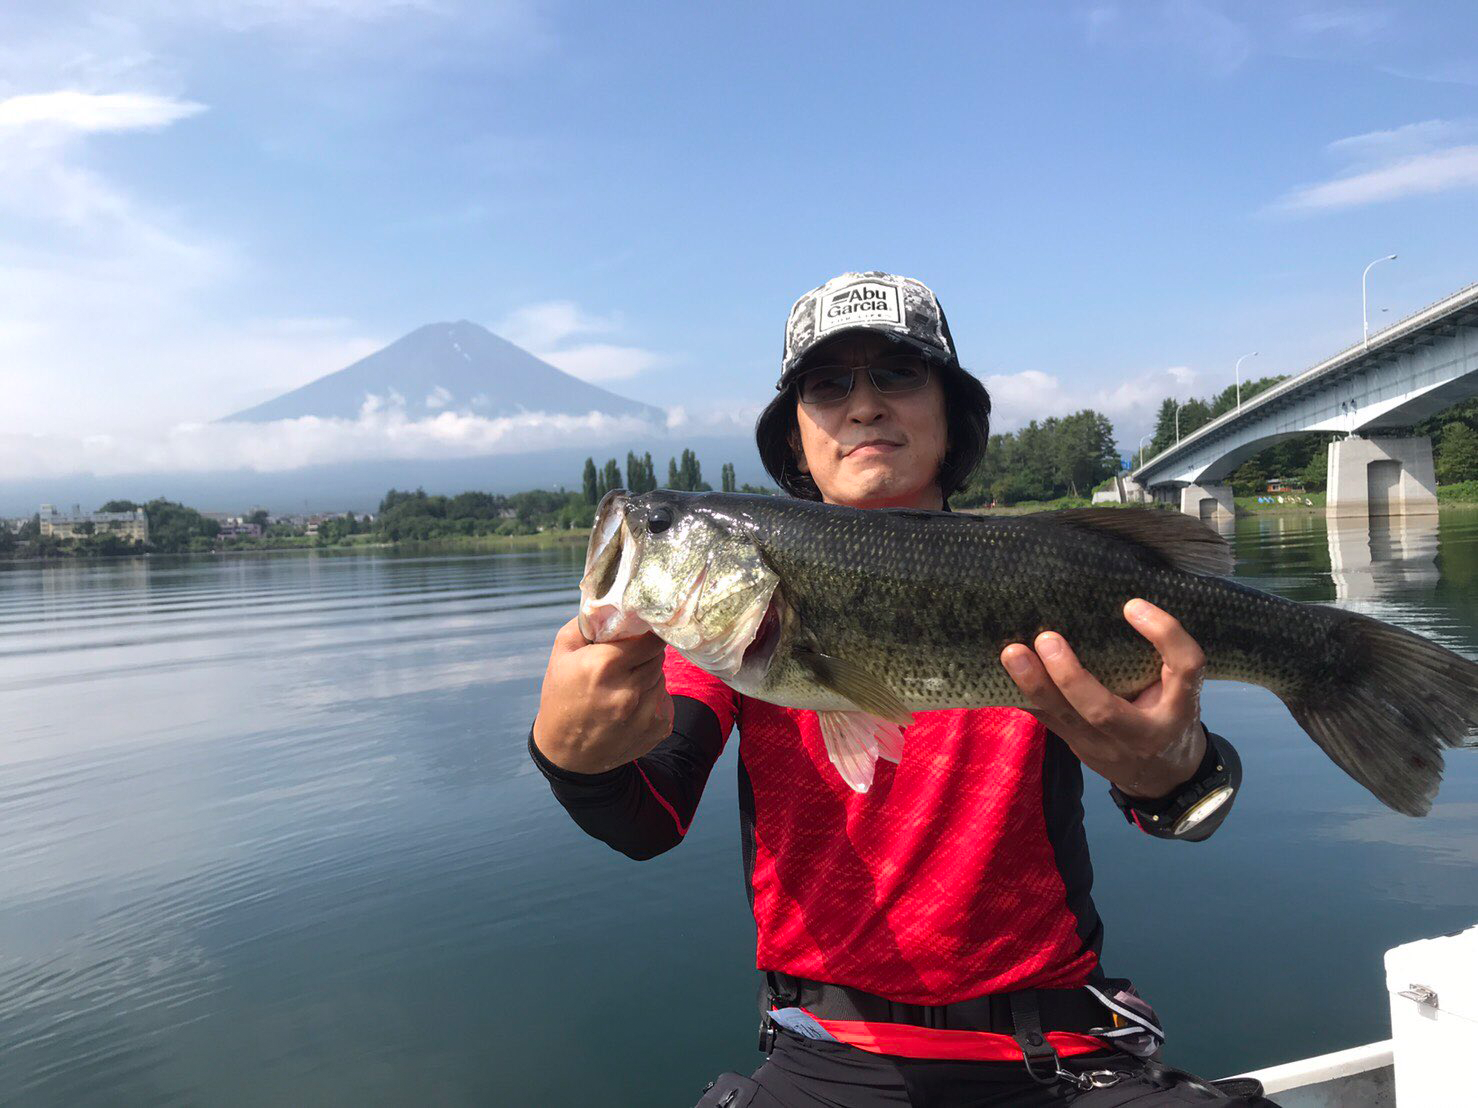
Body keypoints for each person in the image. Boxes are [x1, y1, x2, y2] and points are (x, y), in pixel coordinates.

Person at [529, 272, 1273, 1106]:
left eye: (898, 374)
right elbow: (648, 819)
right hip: (824, 1055)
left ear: (952, 412)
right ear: (797, 435)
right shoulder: (730, 631)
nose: (864, 406)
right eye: (826, 385)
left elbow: (1185, 807)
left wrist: (1171, 769)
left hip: (1059, 1049)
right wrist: (574, 761)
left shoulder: (1043, 572)